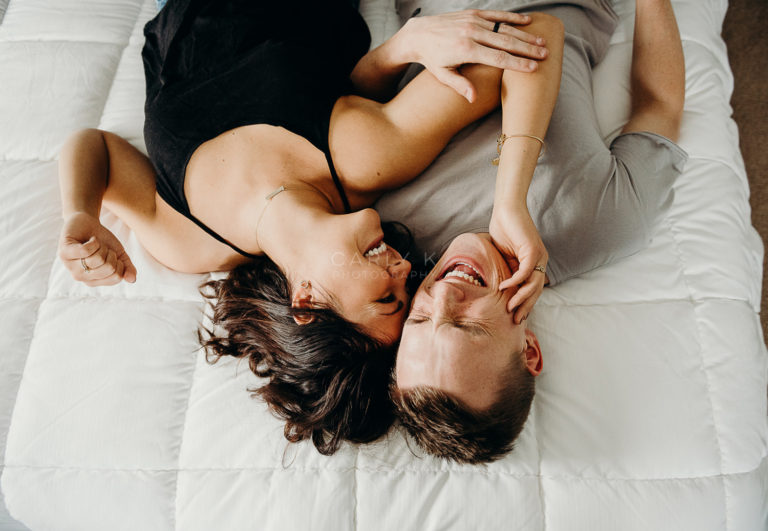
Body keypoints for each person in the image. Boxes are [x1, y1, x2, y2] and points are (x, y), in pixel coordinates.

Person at [56, 0, 562, 454]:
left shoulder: (188, 242)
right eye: (411, 299)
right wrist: (510, 201)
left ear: (306, 302)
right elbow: (533, 34)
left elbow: (97, 148)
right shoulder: (369, 156)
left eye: (387, 299)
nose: (405, 270)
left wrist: (80, 214)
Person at [389, 0, 687, 464]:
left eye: (419, 320)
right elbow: (660, 103)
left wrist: (401, 45)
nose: (442, 294)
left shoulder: (387, 232)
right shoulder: (603, 225)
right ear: (529, 351)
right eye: (466, 326)